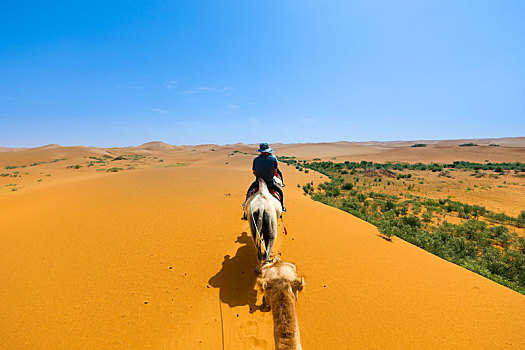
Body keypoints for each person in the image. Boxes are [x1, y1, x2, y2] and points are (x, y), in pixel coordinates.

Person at [246, 143, 286, 212]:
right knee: (280, 191)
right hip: (270, 183)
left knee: (249, 191)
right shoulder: (273, 159)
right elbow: (275, 172)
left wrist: (260, 177)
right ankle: (282, 207)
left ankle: (245, 207)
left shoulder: (256, 159)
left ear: (260, 151)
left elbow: (254, 172)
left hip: (258, 183)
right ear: (268, 150)